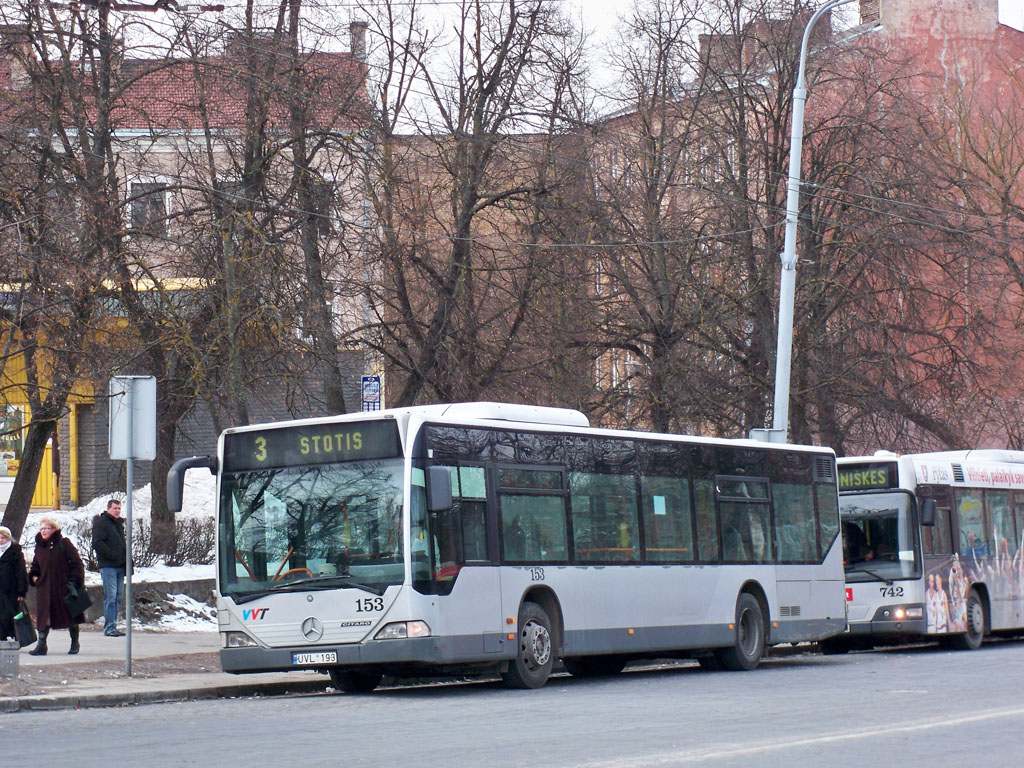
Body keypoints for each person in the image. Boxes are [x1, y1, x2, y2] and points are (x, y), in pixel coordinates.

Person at [28, 518, 86, 655]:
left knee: (70, 616)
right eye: (41, 528)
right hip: (44, 588)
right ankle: (41, 646)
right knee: (44, 617)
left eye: (47, 528)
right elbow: (36, 566)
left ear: (54, 529)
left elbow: (77, 564)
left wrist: (73, 582)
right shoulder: (40, 547)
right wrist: (34, 577)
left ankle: (74, 643)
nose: (43, 531)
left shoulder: (63, 543)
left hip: (63, 587)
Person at [92, 498, 126, 637]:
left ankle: (113, 625)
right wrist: (111, 555)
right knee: (111, 597)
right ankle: (109, 627)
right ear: (108, 509)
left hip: (119, 565)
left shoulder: (118, 524)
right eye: (114, 508)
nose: (117, 511)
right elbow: (97, 543)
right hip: (108, 566)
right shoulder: (102, 523)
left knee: (118, 596)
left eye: (119, 508)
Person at [0, 525, 28, 641]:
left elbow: (21, 573)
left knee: (9, 614)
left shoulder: (15, 552)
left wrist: (22, 592)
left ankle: (14, 636)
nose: (1, 540)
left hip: (11, 590)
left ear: (9, 539)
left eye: (3, 538)